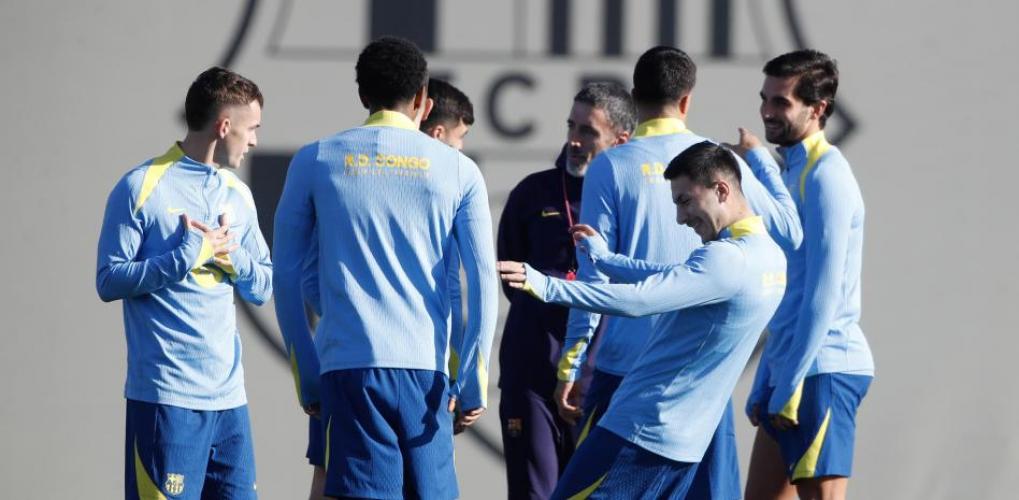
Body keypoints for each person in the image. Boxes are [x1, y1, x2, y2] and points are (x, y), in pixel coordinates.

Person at [556, 46, 803, 499]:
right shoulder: (718, 163)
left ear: (634, 99)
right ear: (687, 99)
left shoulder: (611, 163)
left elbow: (592, 272)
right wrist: (760, 159)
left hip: (626, 375)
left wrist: (571, 360)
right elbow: (791, 231)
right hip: (699, 384)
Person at [272, 37, 498, 499]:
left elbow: (287, 275)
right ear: (423, 100)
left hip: (348, 368)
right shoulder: (460, 170)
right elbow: (482, 282)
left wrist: (307, 374)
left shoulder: (315, 159)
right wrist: (474, 382)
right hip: (426, 373)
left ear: (362, 95)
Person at [498, 142, 788, 499]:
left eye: (685, 201)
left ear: (722, 190)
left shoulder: (726, 260)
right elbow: (672, 276)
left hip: (639, 434)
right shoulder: (769, 257)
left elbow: (637, 301)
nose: (681, 218)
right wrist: (607, 260)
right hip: (684, 447)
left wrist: (546, 286)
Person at [96, 67, 271, 499]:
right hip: (166, 402)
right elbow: (108, 279)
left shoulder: (238, 193)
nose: (254, 141)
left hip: (230, 405)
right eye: (251, 129)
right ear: (224, 127)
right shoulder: (140, 186)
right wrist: (187, 256)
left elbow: (264, 286)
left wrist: (232, 259)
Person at [738, 50, 874, 500]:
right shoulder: (794, 168)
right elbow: (790, 293)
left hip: (823, 369)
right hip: (792, 369)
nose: (767, 111)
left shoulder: (827, 176)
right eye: (765, 99)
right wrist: (767, 376)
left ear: (818, 109)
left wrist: (790, 380)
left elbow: (823, 293)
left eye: (781, 102)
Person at [496, 82, 634, 499]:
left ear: (620, 141)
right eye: (571, 126)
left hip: (600, 374)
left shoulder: (633, 201)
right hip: (532, 366)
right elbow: (511, 275)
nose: (574, 140)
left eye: (588, 131)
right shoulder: (532, 192)